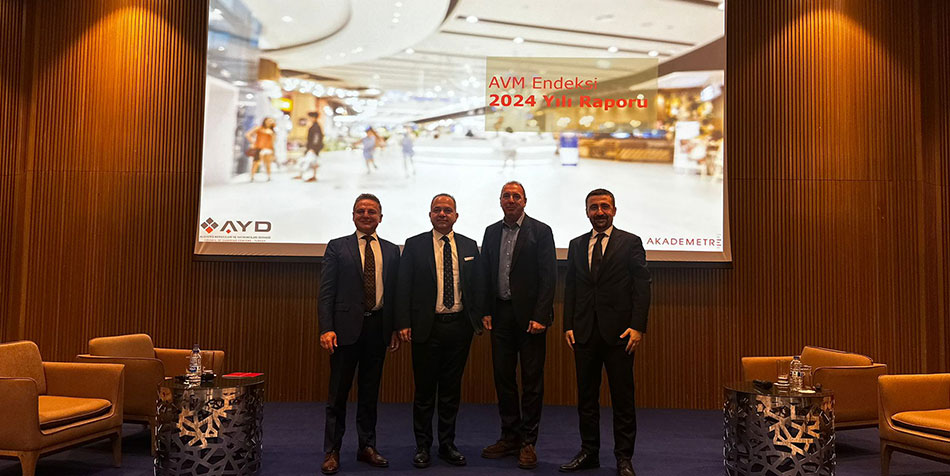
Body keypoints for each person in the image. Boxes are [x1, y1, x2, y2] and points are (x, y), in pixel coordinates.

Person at [561, 188, 652, 476]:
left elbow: (642, 286)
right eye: (593, 207)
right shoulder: (576, 244)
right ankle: (589, 452)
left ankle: (624, 458)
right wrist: (568, 325)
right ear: (586, 211)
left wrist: (638, 326)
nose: (599, 212)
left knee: (622, 399)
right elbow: (572, 287)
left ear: (614, 210)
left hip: (620, 335)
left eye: (604, 206)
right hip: (584, 333)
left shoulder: (631, 242)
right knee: (586, 399)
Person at [396, 194, 483, 469]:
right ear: (430, 215)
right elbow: (403, 285)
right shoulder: (414, 245)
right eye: (437, 210)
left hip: (459, 327)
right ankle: (423, 446)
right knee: (424, 392)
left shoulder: (469, 245)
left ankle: (447, 445)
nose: (442, 214)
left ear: (456, 215)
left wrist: (480, 316)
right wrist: (403, 322)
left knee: (450, 391)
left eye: (447, 210)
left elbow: (478, 285)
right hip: (426, 328)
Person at [318, 193, 402, 475]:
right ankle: (332, 451)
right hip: (343, 331)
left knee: (369, 393)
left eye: (371, 211)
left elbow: (395, 294)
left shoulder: (392, 250)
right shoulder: (337, 247)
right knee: (337, 395)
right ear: (353, 215)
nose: (366, 215)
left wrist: (393, 328)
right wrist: (326, 328)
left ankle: (367, 446)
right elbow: (326, 292)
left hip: (378, 329)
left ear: (381, 217)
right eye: (361, 211)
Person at [478, 181, 556, 469]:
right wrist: (486, 310)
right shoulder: (491, 232)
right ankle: (509, 436)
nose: (511, 200)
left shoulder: (541, 231)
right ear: (500, 201)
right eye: (506, 196)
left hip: (530, 319)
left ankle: (528, 442)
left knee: (532, 381)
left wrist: (541, 315)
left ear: (524, 201)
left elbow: (549, 277)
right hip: (500, 315)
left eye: (516, 196)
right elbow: (485, 273)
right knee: (503, 378)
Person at [245, 117, 276, 182]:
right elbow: (248, 134)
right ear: (265, 121)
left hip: (269, 149)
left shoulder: (272, 131)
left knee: (268, 163)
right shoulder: (259, 128)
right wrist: (253, 142)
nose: (270, 122)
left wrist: (273, 151)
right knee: (256, 163)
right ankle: (252, 177)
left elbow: (273, 141)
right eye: (268, 120)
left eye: (271, 121)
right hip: (259, 148)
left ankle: (269, 176)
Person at [295, 111, 323, 182]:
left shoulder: (316, 127)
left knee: (307, 161)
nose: (310, 119)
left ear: (314, 118)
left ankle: (308, 175)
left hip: (313, 148)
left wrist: (313, 148)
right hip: (311, 147)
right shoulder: (314, 126)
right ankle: (311, 176)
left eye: (310, 117)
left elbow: (316, 138)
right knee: (313, 161)